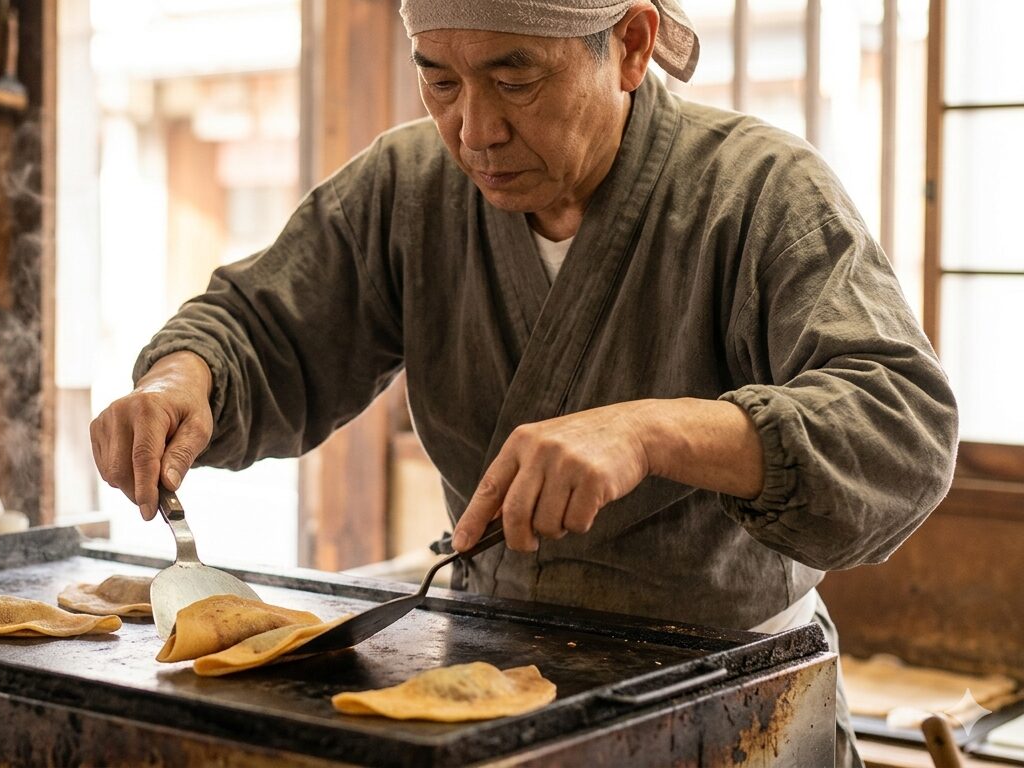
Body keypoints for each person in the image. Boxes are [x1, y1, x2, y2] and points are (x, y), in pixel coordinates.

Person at [91, 1, 958, 764]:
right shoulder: (409, 188)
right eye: (439, 83)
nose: (475, 131)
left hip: (731, 699)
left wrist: (652, 433)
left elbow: (901, 430)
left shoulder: (758, 192)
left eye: (515, 79)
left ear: (629, 45)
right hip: (492, 692)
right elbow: (259, 326)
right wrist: (182, 380)